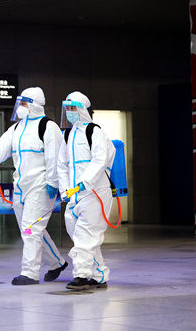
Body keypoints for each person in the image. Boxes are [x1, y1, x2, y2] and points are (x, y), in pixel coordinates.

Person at [0, 87, 68, 285]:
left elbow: (54, 157)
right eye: (20, 103)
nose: (20, 107)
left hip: (41, 185)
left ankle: (29, 273)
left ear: (34, 105)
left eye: (24, 103)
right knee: (31, 230)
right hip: (20, 186)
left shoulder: (48, 127)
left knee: (31, 228)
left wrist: (52, 182)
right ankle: (56, 262)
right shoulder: (16, 128)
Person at [58, 91, 116, 290]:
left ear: (82, 109)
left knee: (85, 235)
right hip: (75, 196)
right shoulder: (67, 134)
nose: (69, 111)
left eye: (73, 108)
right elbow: (62, 165)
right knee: (80, 235)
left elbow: (100, 160)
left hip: (95, 193)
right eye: (67, 108)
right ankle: (99, 275)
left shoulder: (94, 132)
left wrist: (85, 181)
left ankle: (81, 275)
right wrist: (65, 189)